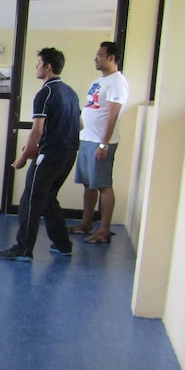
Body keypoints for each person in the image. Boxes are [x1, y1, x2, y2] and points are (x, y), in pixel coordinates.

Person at [0, 48, 80, 262]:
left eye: (39, 63)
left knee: (31, 199)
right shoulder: (70, 92)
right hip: (69, 153)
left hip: (50, 155)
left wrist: (22, 158)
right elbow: (79, 125)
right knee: (49, 197)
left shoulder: (46, 92)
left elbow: (37, 130)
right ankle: (63, 244)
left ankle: (23, 248)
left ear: (48, 67)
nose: (36, 67)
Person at [68, 41, 129, 244]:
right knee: (89, 184)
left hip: (100, 142)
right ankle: (86, 224)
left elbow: (113, 115)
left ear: (111, 57)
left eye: (99, 55)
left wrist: (104, 144)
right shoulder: (100, 81)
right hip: (87, 138)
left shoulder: (117, 82)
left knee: (103, 185)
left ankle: (103, 230)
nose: (95, 58)